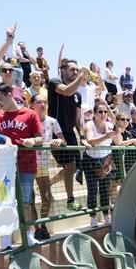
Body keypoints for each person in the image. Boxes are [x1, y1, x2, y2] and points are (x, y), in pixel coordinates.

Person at [0, 82, 44, 246]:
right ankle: (5, 237)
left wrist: (31, 141)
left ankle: (27, 233)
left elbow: (40, 138)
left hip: (26, 165)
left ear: (10, 95)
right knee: (4, 202)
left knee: (25, 201)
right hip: (2, 168)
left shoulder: (30, 114)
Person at [47, 59, 89, 211]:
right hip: (56, 133)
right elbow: (66, 91)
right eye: (72, 70)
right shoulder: (54, 82)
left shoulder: (78, 94)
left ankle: (49, 184)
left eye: (77, 70)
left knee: (72, 167)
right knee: (69, 166)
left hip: (70, 134)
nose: (76, 72)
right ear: (62, 71)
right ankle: (70, 200)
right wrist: (81, 76)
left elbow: (78, 119)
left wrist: (82, 137)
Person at [30, 94, 64, 240]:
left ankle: (42, 225)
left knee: (46, 197)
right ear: (32, 105)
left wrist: (58, 142)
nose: (42, 105)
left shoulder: (52, 121)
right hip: (27, 163)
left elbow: (63, 140)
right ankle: (35, 228)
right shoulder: (28, 119)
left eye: (45, 102)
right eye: (39, 102)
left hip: (43, 164)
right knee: (29, 199)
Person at [80, 101, 117, 226]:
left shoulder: (110, 125)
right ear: (94, 114)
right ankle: (93, 217)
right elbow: (91, 141)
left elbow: (118, 142)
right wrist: (106, 136)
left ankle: (106, 215)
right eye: (100, 111)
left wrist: (133, 141)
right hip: (90, 161)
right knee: (92, 190)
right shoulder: (89, 124)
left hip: (106, 160)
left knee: (105, 190)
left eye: (105, 111)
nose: (103, 114)